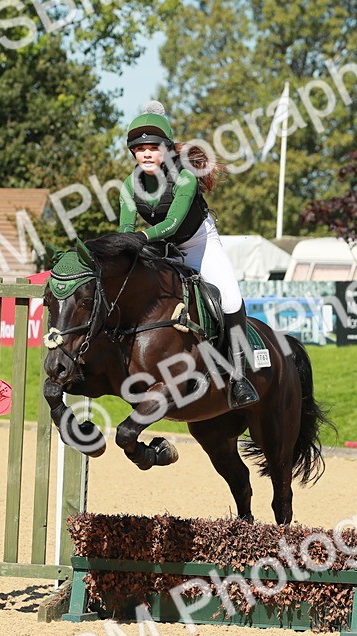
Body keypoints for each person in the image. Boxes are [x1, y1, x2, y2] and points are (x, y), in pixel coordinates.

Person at [117, 101, 258, 408]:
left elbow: (171, 224)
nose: (146, 154)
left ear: (166, 149)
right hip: (163, 250)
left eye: (153, 148)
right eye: (140, 150)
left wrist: (137, 237)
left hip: (199, 245)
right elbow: (126, 226)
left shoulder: (185, 178)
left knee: (230, 298)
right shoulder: (129, 185)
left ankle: (237, 376)